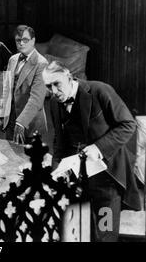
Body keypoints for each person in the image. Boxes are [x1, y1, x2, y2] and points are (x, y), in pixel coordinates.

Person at [42, 61, 141, 242]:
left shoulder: (100, 91)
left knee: (105, 235)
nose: (54, 91)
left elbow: (128, 125)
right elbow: (59, 143)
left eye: (57, 84)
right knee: (78, 234)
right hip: (77, 182)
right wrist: (55, 172)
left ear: (69, 77)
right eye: (49, 86)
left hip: (107, 181)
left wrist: (98, 147)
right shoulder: (54, 104)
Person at [0, 25, 48, 143]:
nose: (21, 43)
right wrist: (2, 115)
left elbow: (36, 99)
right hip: (10, 119)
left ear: (33, 41)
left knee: (30, 158)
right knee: (10, 156)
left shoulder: (41, 63)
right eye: (18, 40)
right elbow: (6, 89)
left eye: (25, 40)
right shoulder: (13, 59)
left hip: (30, 122)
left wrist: (21, 122)